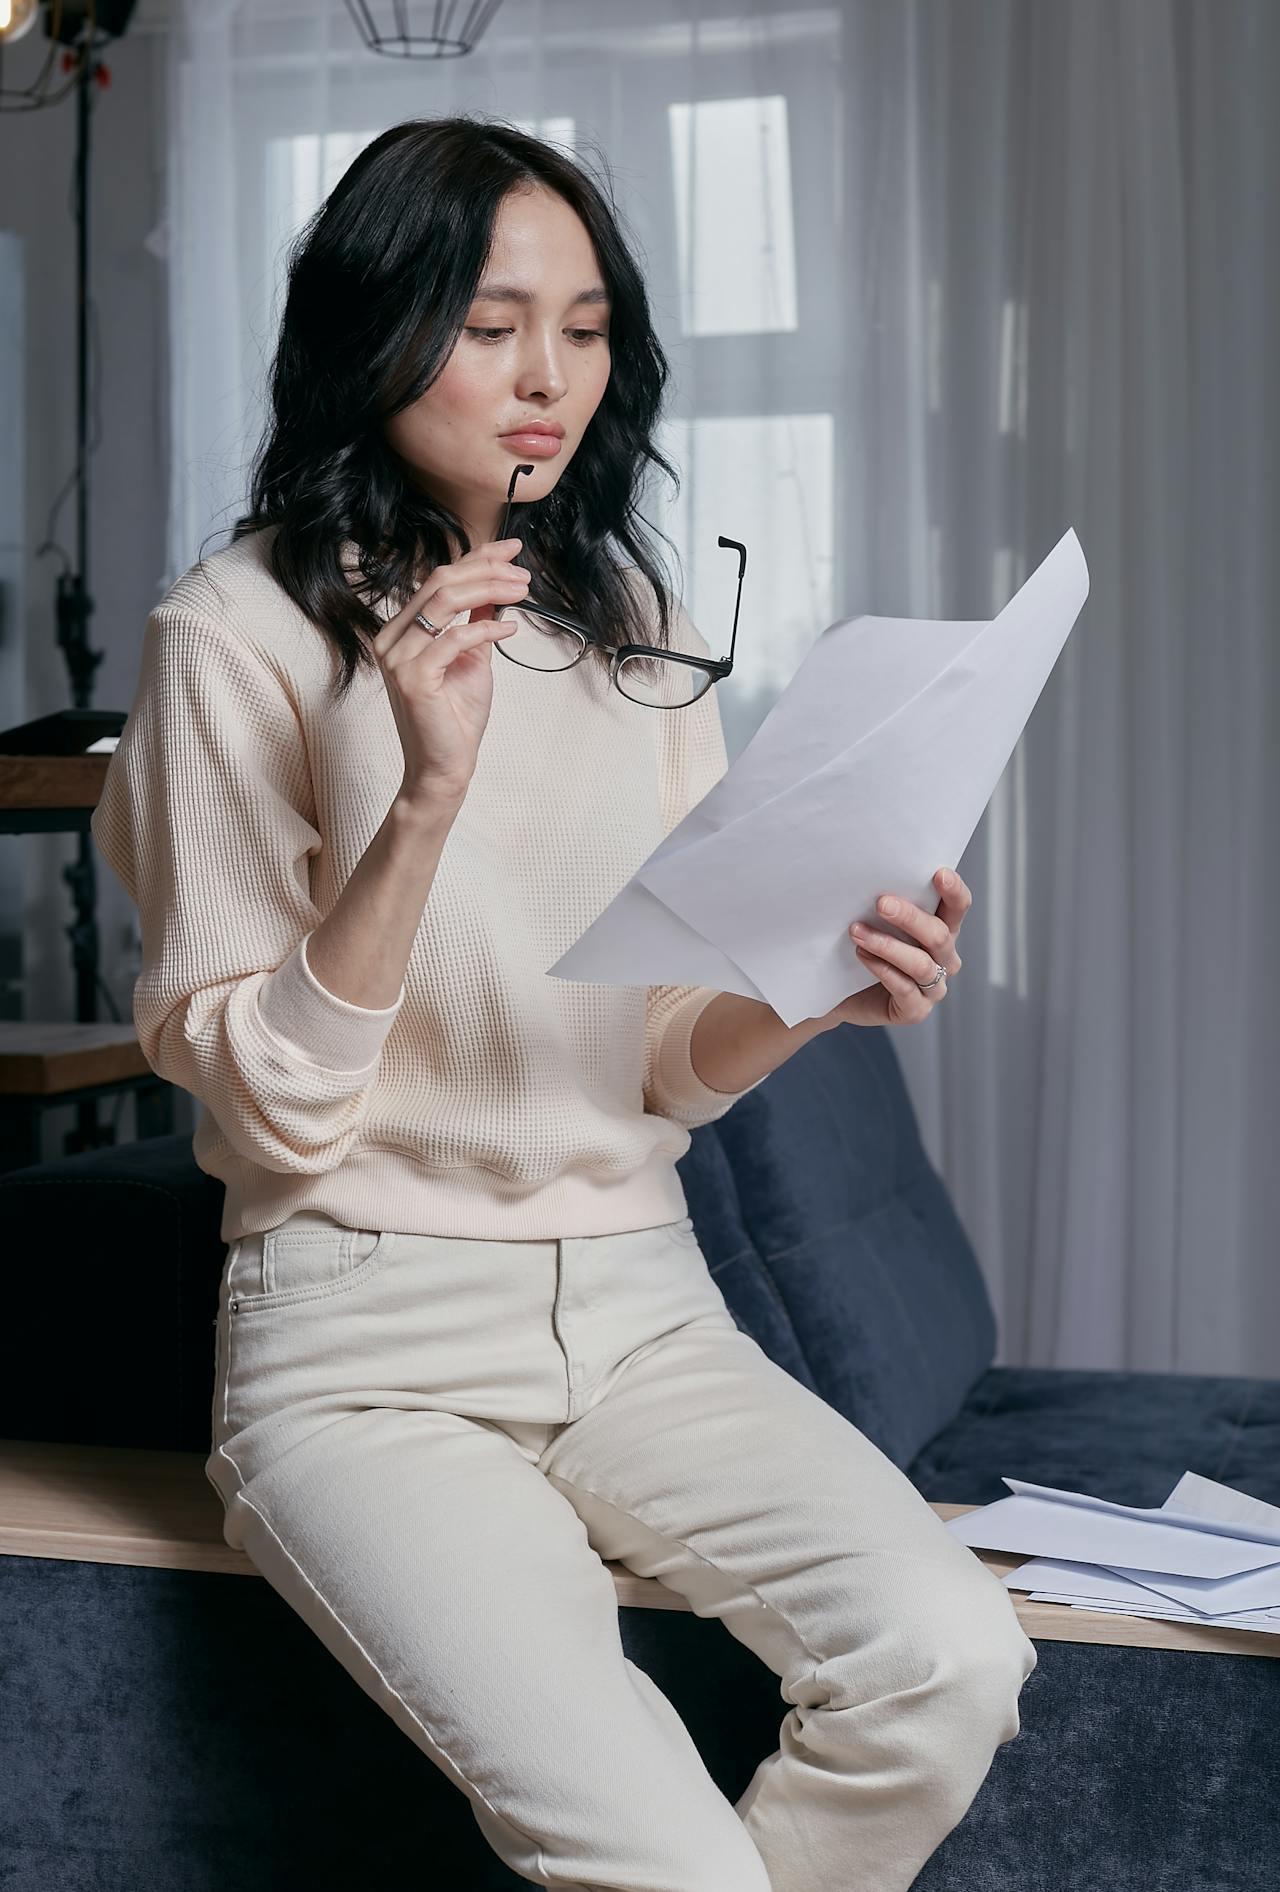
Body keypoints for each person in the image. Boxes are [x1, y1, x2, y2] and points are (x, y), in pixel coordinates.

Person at [91, 115, 1036, 1892]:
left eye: (589, 327)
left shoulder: (633, 618)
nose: (551, 378)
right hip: (363, 1350)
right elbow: (267, 1094)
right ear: (375, 331)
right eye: (493, 320)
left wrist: (817, 988)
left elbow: (665, 1062)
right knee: (658, 1860)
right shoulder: (233, 631)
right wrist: (422, 798)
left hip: (643, 1307)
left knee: (950, 1657)